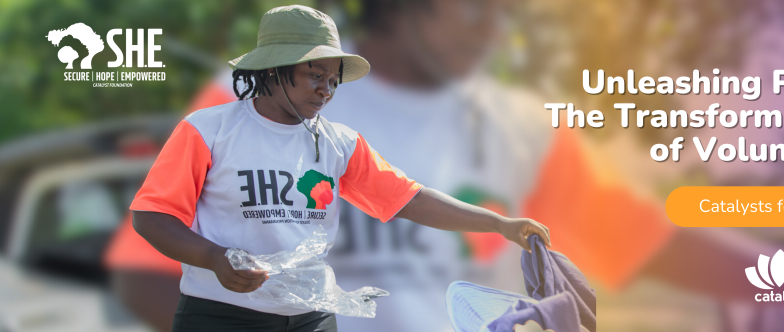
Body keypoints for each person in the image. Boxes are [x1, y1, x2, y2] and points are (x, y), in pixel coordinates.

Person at [128, 5, 549, 332]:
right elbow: (151, 216)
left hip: (312, 318)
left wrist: (500, 224)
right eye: (315, 75)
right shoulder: (209, 130)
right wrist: (214, 257)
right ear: (273, 69)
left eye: (333, 80)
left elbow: (410, 199)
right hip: (221, 317)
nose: (326, 90)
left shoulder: (339, 142)